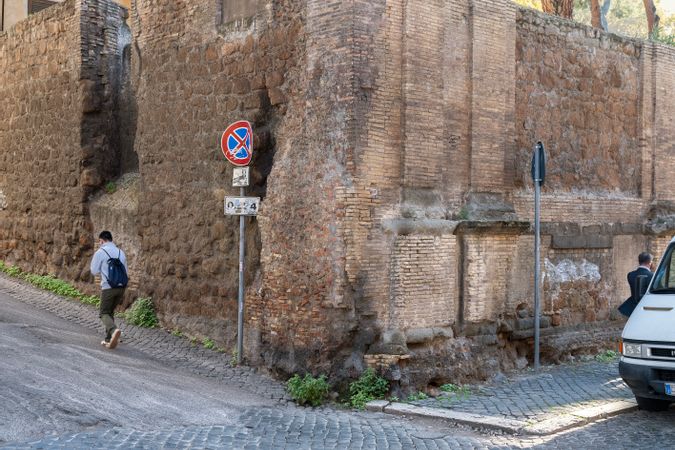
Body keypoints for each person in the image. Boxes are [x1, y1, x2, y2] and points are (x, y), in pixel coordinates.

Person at [90, 231, 128, 349]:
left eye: (100, 242)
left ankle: (114, 330)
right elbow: (126, 271)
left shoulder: (101, 252)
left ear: (102, 240)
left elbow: (94, 271)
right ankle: (109, 339)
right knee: (110, 312)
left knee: (103, 313)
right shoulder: (120, 252)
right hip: (121, 288)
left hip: (108, 287)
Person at [618, 252, 654, 318]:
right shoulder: (652, 276)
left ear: (639, 261)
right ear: (650, 262)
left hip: (632, 307)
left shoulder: (630, 275)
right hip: (647, 307)